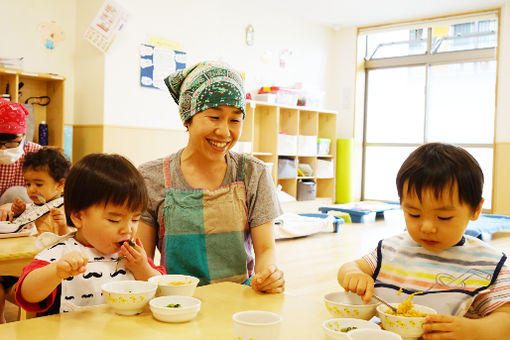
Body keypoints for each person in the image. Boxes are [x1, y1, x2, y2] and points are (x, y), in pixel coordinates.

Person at [137, 61, 285, 293]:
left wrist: (268, 274)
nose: (225, 132)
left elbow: (266, 250)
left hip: (239, 301)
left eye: (235, 120)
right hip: (175, 302)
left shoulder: (253, 173)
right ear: (188, 118)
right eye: (214, 117)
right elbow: (142, 258)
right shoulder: (150, 177)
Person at [337, 143, 510, 340]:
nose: (427, 227)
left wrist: (472, 330)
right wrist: (353, 274)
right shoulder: (391, 249)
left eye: (444, 217)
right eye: (414, 214)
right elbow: (351, 267)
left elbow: (506, 320)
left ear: (476, 209)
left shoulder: (487, 263)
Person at [15, 154, 166, 315]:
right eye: (114, 220)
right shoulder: (61, 254)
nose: (128, 229)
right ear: (78, 217)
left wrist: (142, 268)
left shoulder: (131, 256)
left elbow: (162, 289)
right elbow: (27, 294)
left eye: (135, 219)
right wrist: (56, 272)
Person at [0, 148, 71, 323]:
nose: (31, 190)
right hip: (19, 263)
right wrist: (19, 213)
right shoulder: (35, 204)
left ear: (60, 185)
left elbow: (69, 242)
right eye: (27, 183)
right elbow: (25, 228)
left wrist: (62, 225)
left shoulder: (63, 209)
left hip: (43, 272)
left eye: (38, 184)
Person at [0, 98, 42, 220]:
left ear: (23, 136)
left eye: (10, 143)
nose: (3, 148)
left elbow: (48, 198)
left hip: (23, 213)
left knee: (16, 193)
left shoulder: (36, 153)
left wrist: (22, 206)